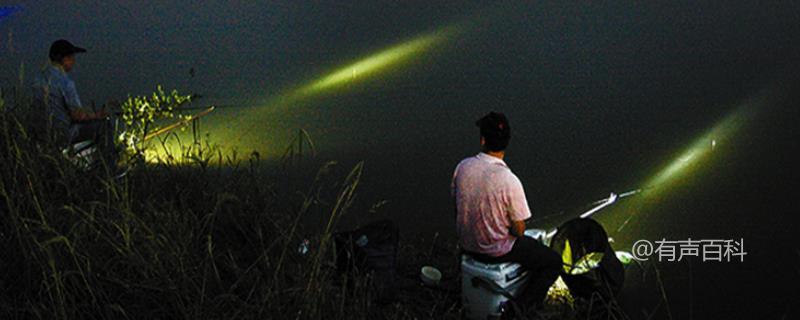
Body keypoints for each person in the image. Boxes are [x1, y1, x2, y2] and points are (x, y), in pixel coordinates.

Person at [452, 111, 562, 311]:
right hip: (496, 252)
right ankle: (521, 308)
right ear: (507, 142)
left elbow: (457, 204)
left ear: (482, 140)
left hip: (466, 246)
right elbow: (519, 231)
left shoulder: (463, 167)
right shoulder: (509, 180)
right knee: (553, 262)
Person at [31, 39, 115, 163]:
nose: (74, 61)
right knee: (104, 127)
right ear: (64, 59)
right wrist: (98, 114)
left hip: (42, 134)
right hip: (63, 134)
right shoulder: (65, 82)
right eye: (71, 57)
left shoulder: (37, 80)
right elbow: (78, 115)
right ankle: (107, 168)